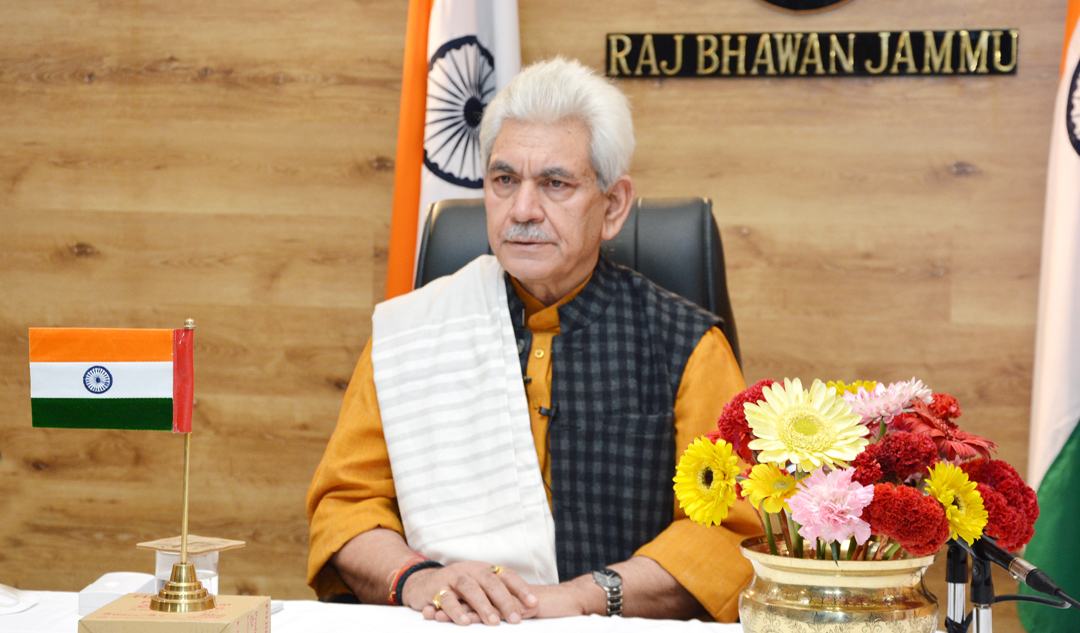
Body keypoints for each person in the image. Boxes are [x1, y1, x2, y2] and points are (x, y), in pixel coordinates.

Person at [306, 57, 760, 626]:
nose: (522, 210)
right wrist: (417, 578)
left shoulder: (687, 346)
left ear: (613, 206)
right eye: (504, 181)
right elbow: (345, 505)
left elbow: (730, 533)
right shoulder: (412, 333)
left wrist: (583, 597)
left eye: (554, 184)